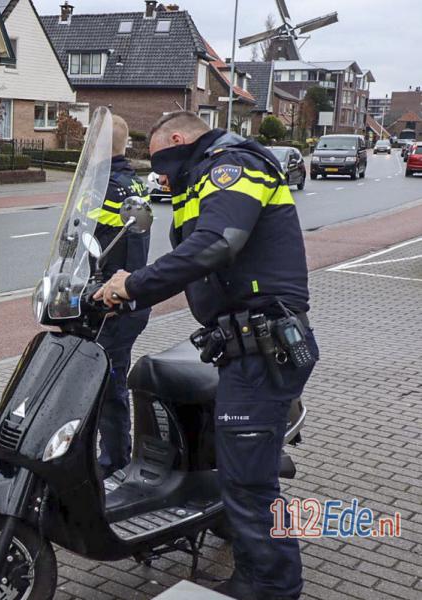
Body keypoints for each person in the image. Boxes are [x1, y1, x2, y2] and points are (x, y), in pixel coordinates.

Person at [94, 111, 318, 600]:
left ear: (177, 140)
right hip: (242, 347)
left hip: (265, 350)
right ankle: (255, 569)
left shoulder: (233, 166)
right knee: (237, 474)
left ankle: (273, 585)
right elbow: (192, 257)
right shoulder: (199, 180)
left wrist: (135, 284)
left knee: (249, 483)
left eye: (158, 161)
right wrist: (126, 291)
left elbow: (216, 244)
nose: (157, 174)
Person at [92, 114, 151, 480]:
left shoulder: (115, 188)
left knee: (109, 384)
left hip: (114, 301)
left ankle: (114, 460)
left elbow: (125, 252)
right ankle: (108, 452)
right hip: (109, 296)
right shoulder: (127, 183)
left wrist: (117, 298)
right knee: (103, 380)